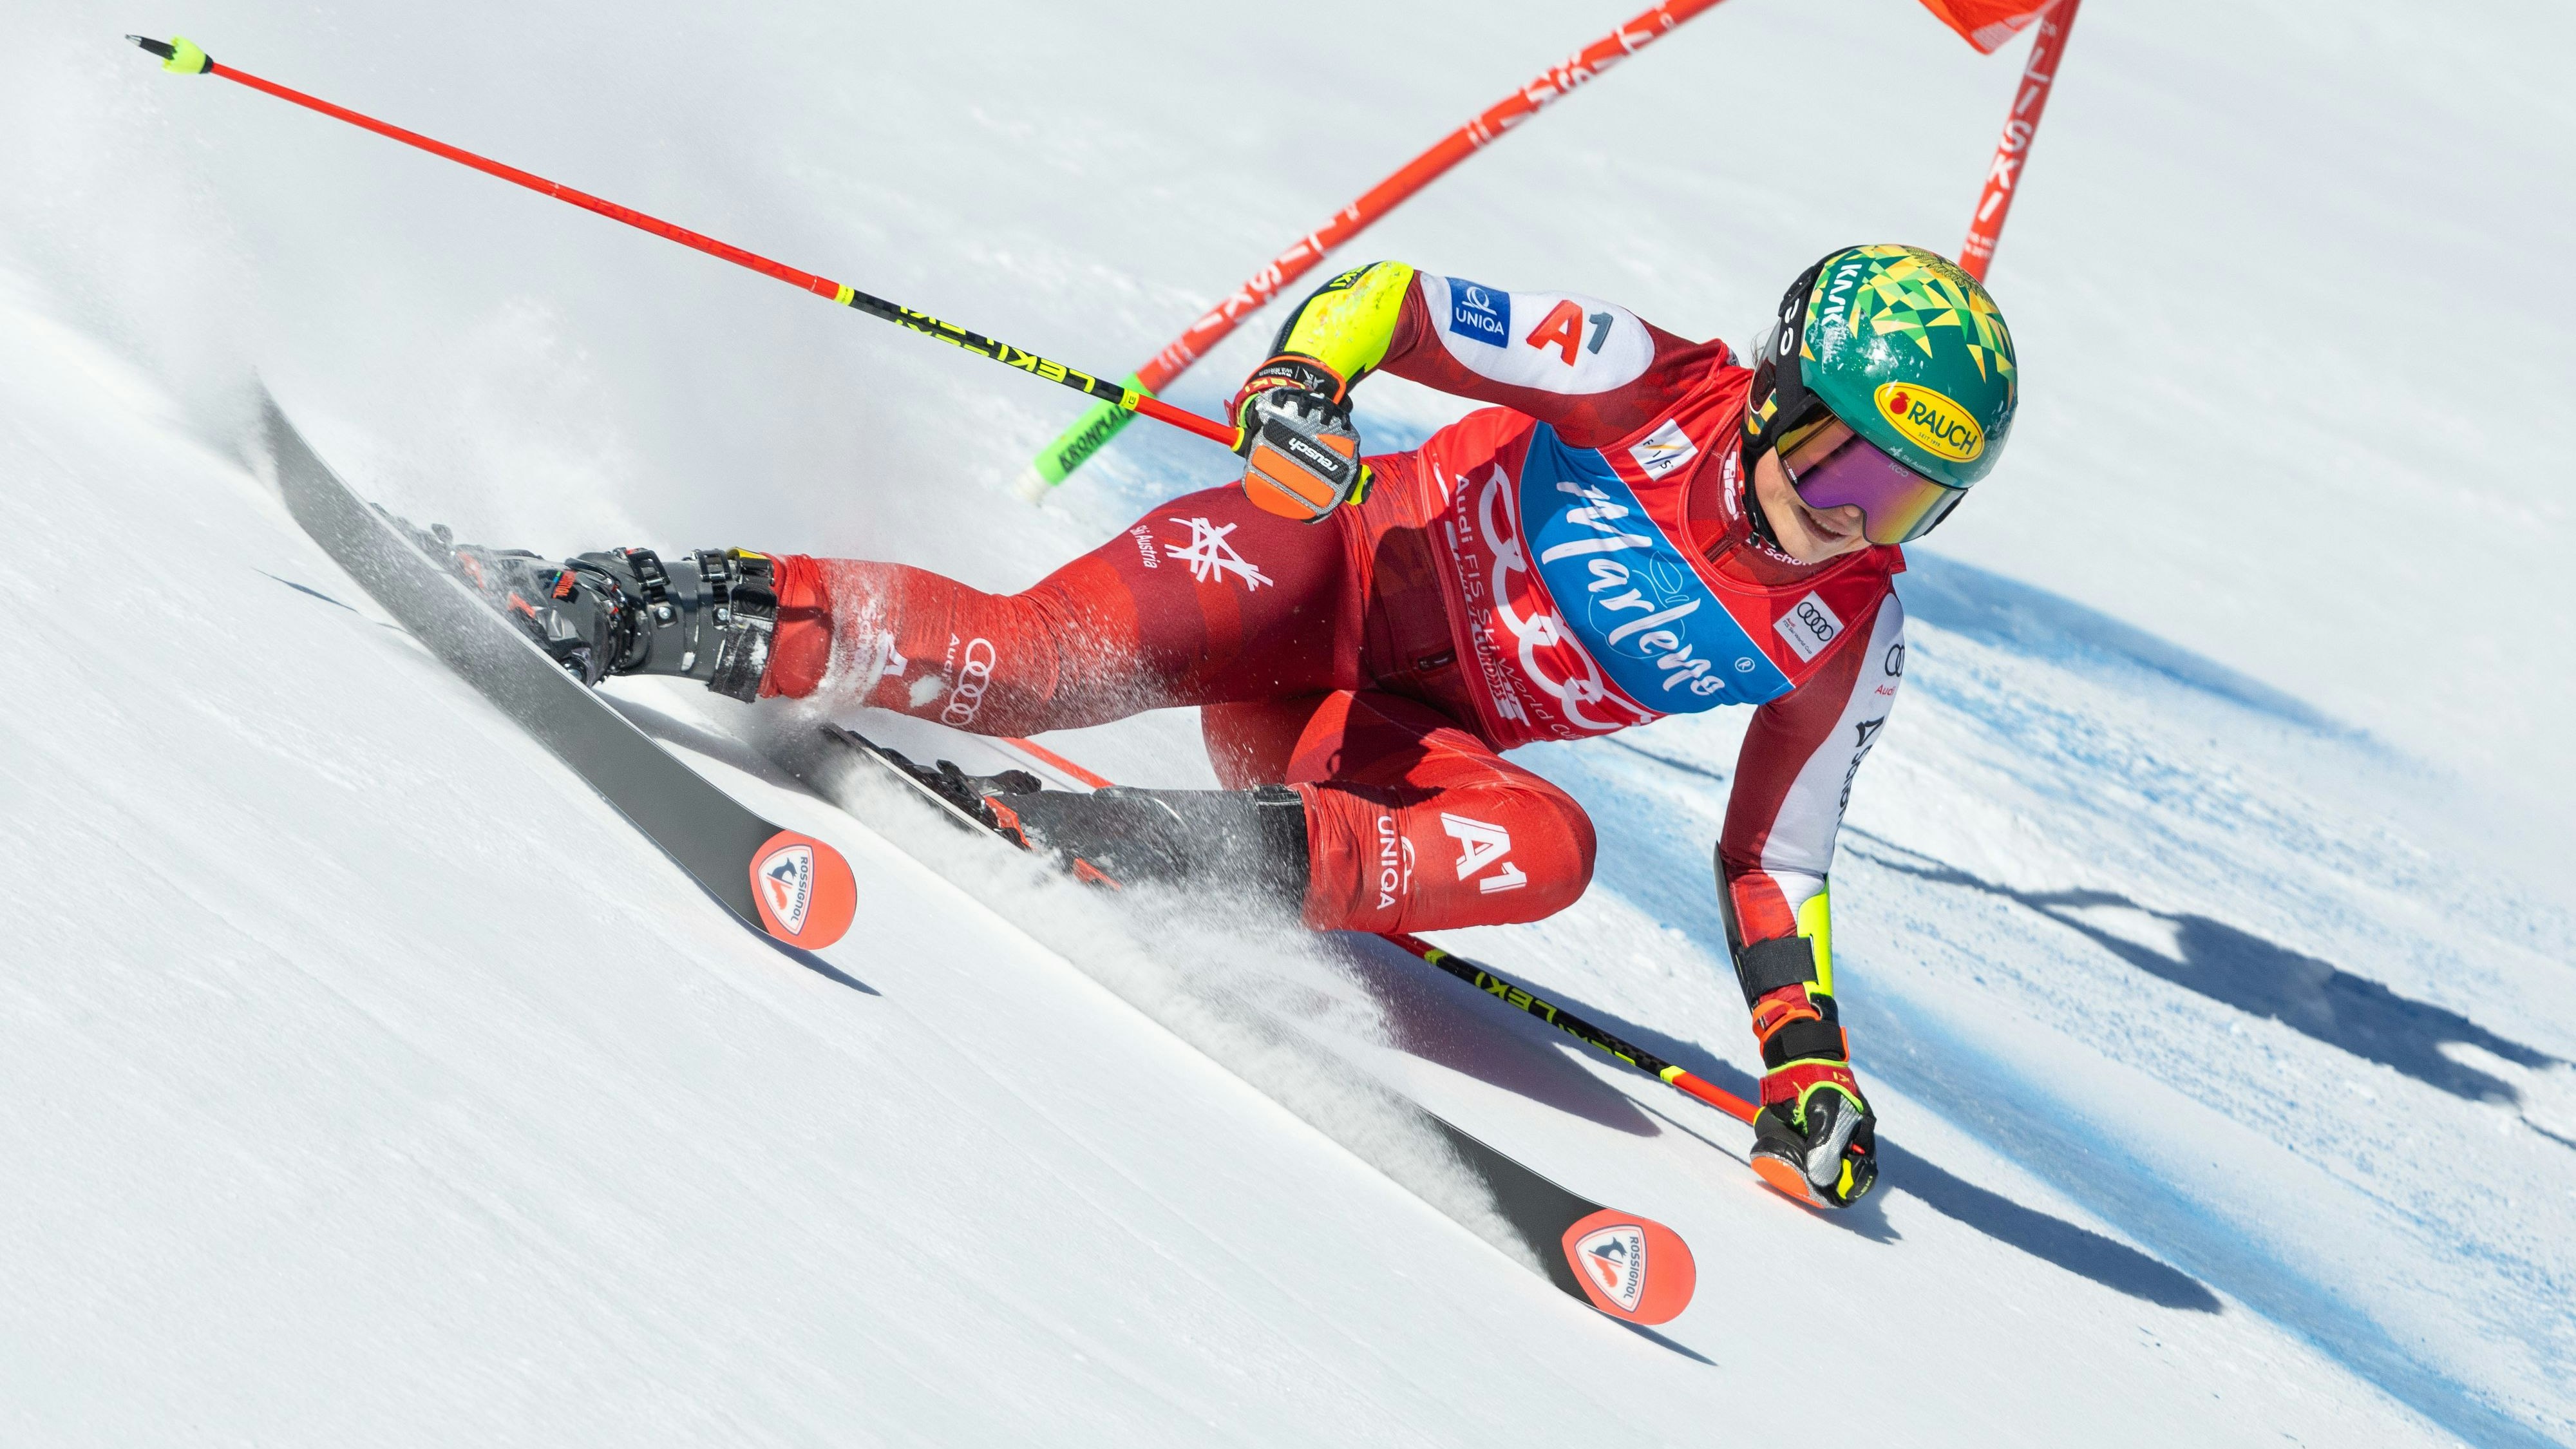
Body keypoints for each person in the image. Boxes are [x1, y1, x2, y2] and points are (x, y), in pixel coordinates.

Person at [442, 243, 2018, 1209]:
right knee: (1027, 668)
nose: (1849, 520)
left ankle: (1135, 848)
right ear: (1771, 393)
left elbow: (1773, 857)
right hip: (1309, 568)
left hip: (1361, 743)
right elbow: (1390, 303)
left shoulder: (1850, 625)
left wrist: (1806, 1066)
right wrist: (1302, 389)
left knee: (1549, 846)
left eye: (1909, 501)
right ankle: (620, 604)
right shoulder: (1647, 380)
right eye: (1840, 467)